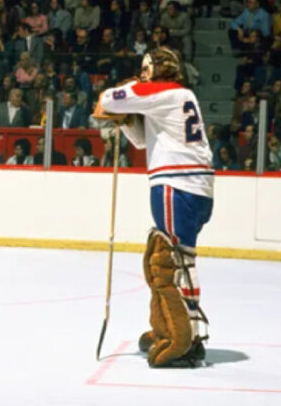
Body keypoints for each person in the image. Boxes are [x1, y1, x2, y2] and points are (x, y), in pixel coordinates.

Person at [95, 46, 213, 368]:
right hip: (194, 184)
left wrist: (120, 101)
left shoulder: (164, 91)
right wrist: (125, 122)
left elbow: (107, 99)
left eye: (144, 68)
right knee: (180, 259)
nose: (141, 74)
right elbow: (142, 141)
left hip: (177, 184)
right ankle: (180, 328)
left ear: (156, 70)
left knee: (175, 262)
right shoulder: (177, 96)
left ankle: (188, 339)